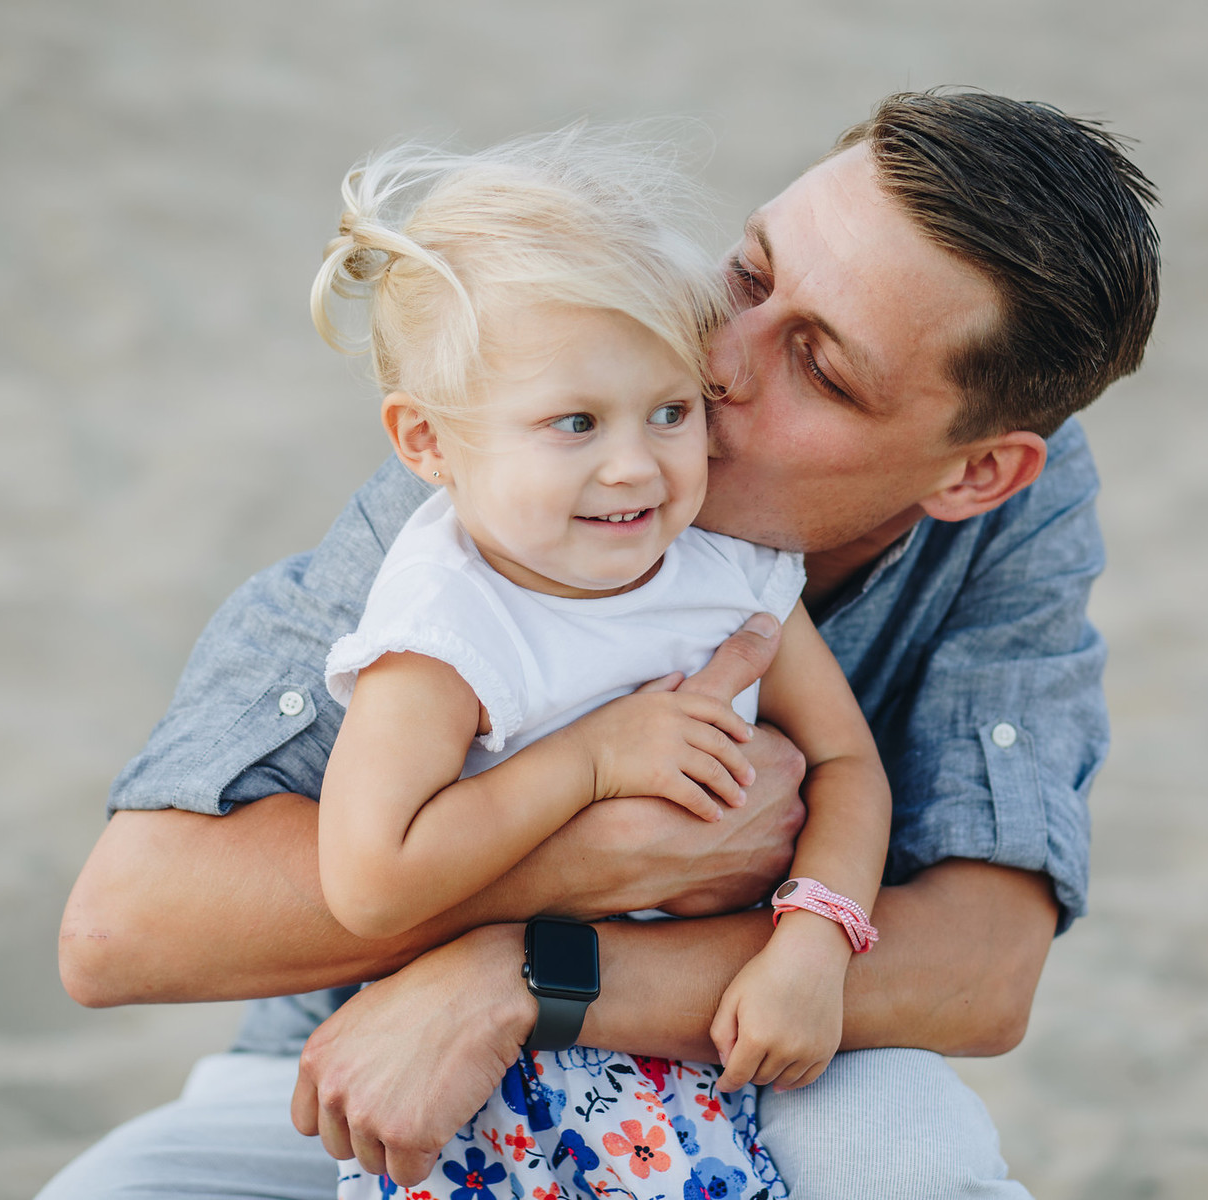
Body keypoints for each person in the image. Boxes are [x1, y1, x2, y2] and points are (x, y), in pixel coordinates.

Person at [45, 87, 1160, 1200]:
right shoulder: (524, 455)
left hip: (747, 1042)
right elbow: (122, 928)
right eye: (751, 275)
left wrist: (530, 975)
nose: (713, 359)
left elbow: (981, 970)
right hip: (360, 1053)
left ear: (973, 475)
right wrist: (595, 854)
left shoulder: (1020, 509)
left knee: (903, 1164)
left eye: (819, 367)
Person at [308, 130, 889, 1199]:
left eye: (670, 411)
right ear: (429, 442)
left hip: (696, 1032)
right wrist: (590, 761)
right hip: (486, 1090)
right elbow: (368, 881)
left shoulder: (727, 569)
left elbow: (848, 764)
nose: (635, 464)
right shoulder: (449, 625)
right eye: (574, 423)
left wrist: (814, 941)